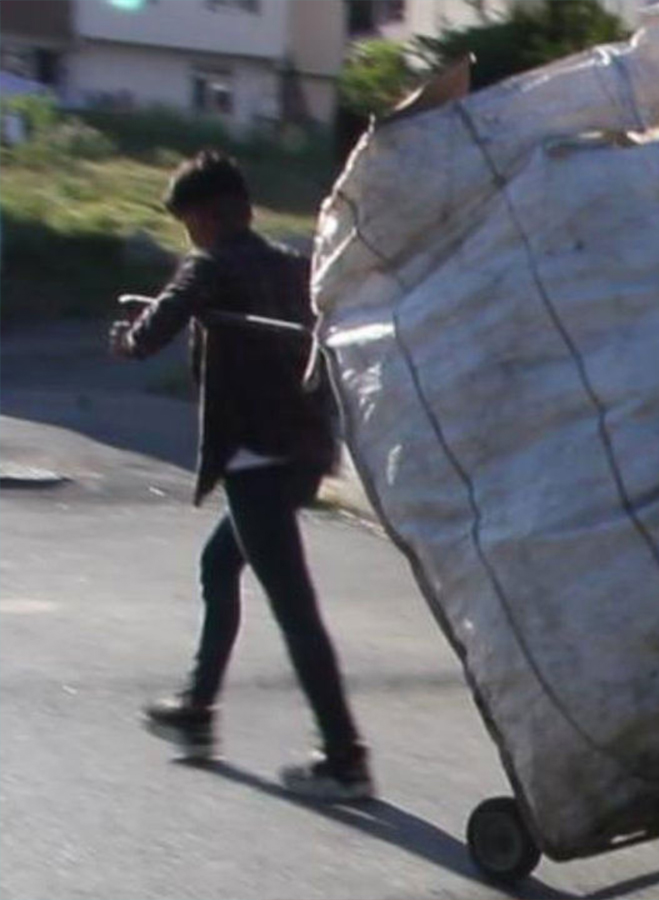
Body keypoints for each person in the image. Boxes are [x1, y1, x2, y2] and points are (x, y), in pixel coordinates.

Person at [110, 150, 372, 802]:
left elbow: (148, 338)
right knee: (219, 565)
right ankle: (196, 709)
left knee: (295, 611)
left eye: (187, 224)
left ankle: (344, 757)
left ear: (200, 217)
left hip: (257, 460)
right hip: (306, 453)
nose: (189, 235)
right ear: (247, 209)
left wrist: (124, 335)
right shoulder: (292, 266)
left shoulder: (209, 265)